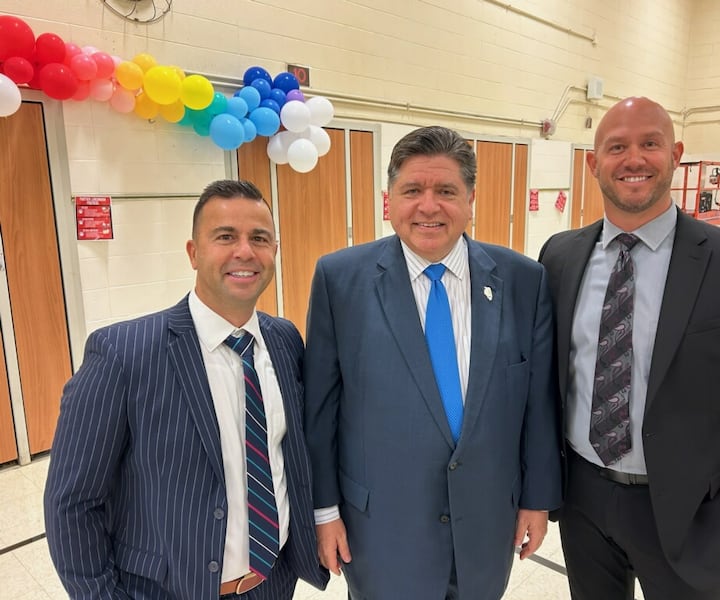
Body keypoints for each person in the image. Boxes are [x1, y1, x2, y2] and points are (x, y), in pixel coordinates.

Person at [538, 97, 720, 600]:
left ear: (675, 153)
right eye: (616, 146)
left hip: (690, 513)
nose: (633, 159)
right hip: (582, 499)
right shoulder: (560, 256)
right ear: (593, 163)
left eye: (649, 144)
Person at [303, 125, 562, 600]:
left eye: (446, 190)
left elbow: (537, 406)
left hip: (488, 524)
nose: (428, 206)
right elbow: (319, 411)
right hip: (379, 530)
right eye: (412, 190)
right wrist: (323, 511)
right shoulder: (339, 280)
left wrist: (537, 501)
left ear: (470, 200)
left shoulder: (523, 281)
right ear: (389, 201)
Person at [44, 180, 329, 599]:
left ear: (274, 252)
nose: (245, 252)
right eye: (225, 237)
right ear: (194, 253)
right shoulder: (123, 354)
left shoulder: (285, 341)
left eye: (260, 238)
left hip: (272, 584)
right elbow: (71, 503)